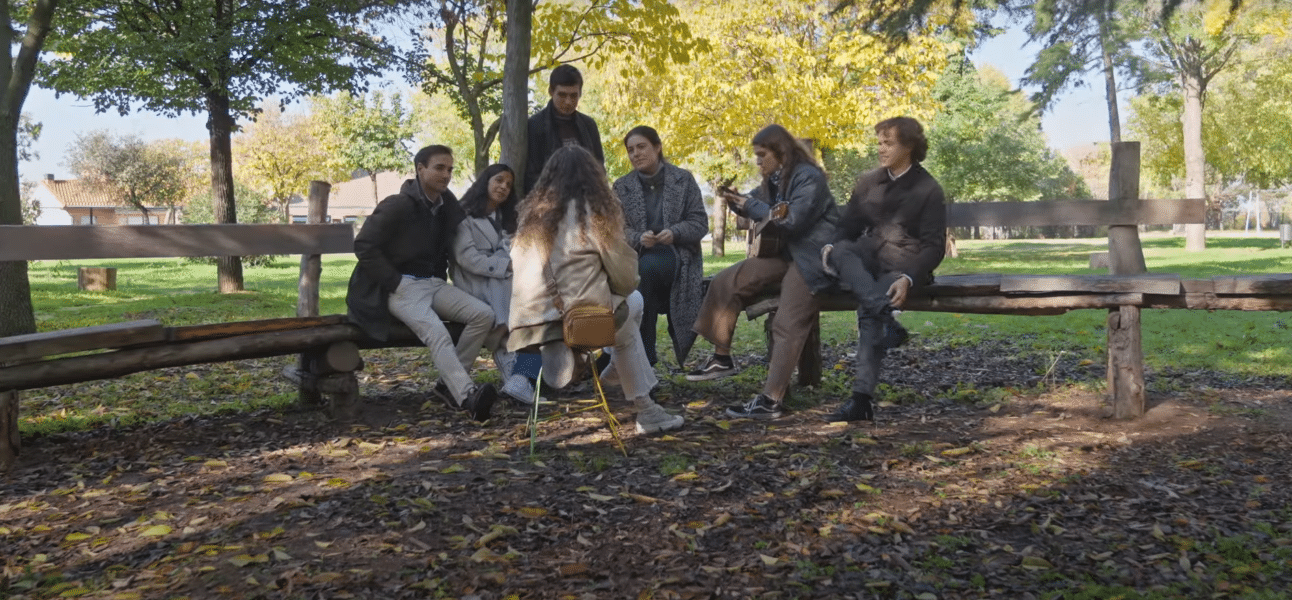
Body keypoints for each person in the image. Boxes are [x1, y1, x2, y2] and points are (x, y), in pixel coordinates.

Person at [508, 145, 684, 434]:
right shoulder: (591, 217)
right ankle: (640, 402)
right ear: (592, 178)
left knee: (627, 317)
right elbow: (626, 279)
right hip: (579, 324)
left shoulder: (529, 220)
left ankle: (616, 373)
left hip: (529, 330)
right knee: (632, 307)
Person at [687, 124, 840, 420]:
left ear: (779, 151)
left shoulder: (809, 177)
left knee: (786, 321)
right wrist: (737, 202)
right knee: (727, 280)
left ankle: (771, 400)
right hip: (785, 254)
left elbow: (792, 219)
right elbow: (756, 202)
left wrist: (754, 206)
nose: (757, 162)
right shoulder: (775, 178)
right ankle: (721, 357)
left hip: (813, 258)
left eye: (761, 155)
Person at [346, 145, 497, 422]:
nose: (446, 174)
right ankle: (466, 396)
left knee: (483, 315)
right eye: (439, 167)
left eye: (450, 169)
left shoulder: (445, 207)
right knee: (436, 333)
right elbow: (364, 245)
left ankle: (447, 386)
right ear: (420, 169)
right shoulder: (397, 205)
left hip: (433, 283)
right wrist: (395, 282)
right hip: (401, 287)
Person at [819, 116, 946, 422]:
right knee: (840, 250)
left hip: (904, 265)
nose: (881, 149)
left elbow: (933, 246)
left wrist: (908, 279)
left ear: (910, 146)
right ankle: (886, 316)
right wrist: (831, 246)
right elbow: (847, 227)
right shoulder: (868, 182)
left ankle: (861, 399)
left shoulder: (928, 188)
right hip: (867, 261)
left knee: (868, 309)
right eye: (878, 142)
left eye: (888, 143)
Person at [611, 126, 708, 368]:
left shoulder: (682, 179)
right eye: (630, 150)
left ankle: (642, 362)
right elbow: (614, 230)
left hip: (678, 254)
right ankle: (638, 361)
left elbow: (699, 223)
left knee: (645, 274)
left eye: (641, 147)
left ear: (657, 147)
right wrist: (636, 237)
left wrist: (674, 233)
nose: (636, 154)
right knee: (643, 280)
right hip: (637, 255)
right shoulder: (621, 186)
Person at [449, 163, 537, 405]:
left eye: (508, 184)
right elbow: (466, 258)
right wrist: (504, 266)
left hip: (503, 281)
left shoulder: (505, 217)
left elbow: (513, 249)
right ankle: (519, 373)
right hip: (474, 282)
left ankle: (522, 376)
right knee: (513, 319)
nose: (503, 187)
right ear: (485, 181)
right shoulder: (464, 216)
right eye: (499, 180)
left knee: (533, 315)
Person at [523, 64, 604, 196]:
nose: (568, 102)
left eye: (573, 96)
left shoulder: (589, 125)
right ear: (550, 91)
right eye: (562, 95)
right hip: (548, 203)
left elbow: (599, 167)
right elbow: (531, 176)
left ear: (580, 94)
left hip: (587, 201)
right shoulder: (534, 126)